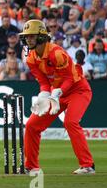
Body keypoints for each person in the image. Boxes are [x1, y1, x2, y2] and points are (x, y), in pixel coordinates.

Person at [19, 19, 95, 174]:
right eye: (26, 36)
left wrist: (56, 93)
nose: (28, 39)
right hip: (57, 93)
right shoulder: (31, 58)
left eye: (32, 36)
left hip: (78, 90)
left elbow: (68, 78)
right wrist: (43, 95)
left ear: (41, 36)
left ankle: (87, 165)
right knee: (32, 125)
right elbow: (43, 82)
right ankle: (31, 166)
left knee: (70, 122)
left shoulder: (57, 54)